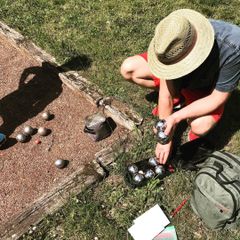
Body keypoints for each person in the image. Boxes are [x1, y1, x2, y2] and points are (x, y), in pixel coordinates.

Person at [120, 9, 240, 165]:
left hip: (206, 89)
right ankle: (181, 99)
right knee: (129, 69)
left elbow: (217, 99)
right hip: (186, 80)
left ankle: (183, 103)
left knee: (200, 126)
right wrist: (165, 138)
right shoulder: (171, 38)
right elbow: (165, 95)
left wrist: (175, 118)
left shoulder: (233, 47)